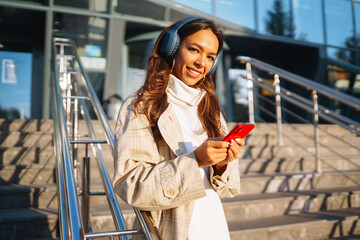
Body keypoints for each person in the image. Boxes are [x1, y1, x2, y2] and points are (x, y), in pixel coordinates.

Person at [113, 16, 244, 240]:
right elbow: (130, 184)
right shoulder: (142, 106)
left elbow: (230, 188)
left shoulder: (212, 111)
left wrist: (221, 166)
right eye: (194, 50)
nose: (201, 62)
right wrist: (195, 161)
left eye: (210, 57)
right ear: (171, 47)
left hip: (213, 226)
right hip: (173, 231)